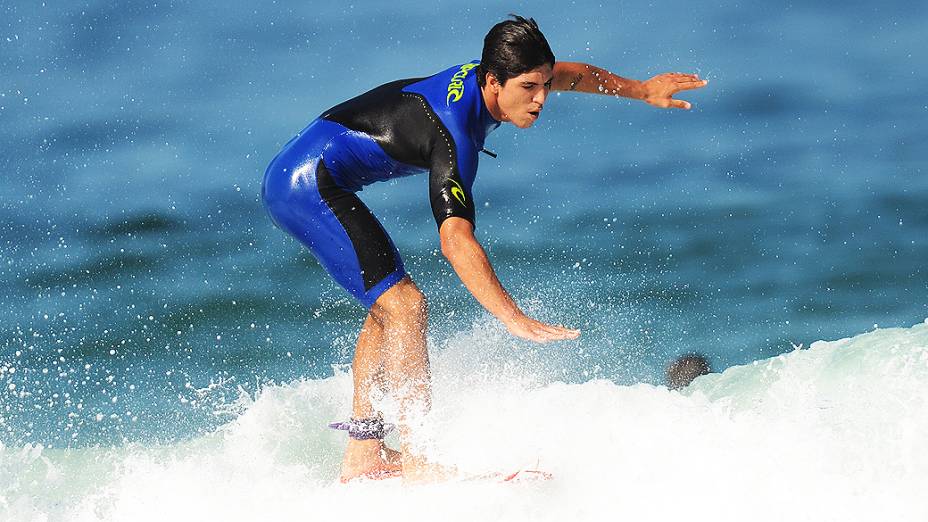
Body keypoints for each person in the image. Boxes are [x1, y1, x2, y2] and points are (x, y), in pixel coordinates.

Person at [262, 15, 708, 482]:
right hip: (304, 187)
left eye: (544, 86)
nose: (540, 100)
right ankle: (417, 460)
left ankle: (363, 455)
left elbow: (574, 74)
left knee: (388, 305)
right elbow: (455, 240)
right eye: (530, 88)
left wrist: (640, 89)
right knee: (406, 307)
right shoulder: (453, 135)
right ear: (494, 81)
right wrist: (511, 315)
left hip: (312, 174)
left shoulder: (498, 75)